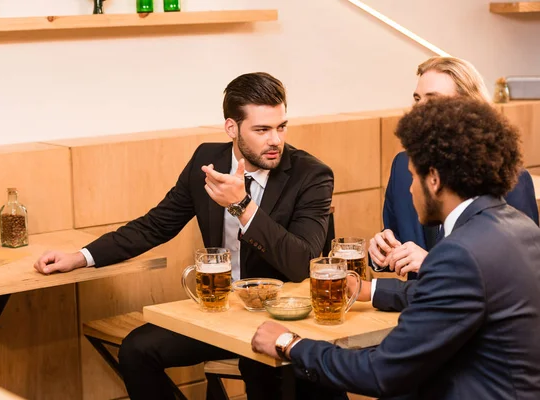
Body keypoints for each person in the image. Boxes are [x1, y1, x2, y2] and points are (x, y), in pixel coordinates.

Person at [33, 72, 341, 400]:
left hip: (280, 316)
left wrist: (243, 206)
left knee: (261, 370)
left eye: (281, 127)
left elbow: (301, 262)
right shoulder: (208, 161)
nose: (275, 140)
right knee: (137, 351)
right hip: (220, 310)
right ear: (231, 129)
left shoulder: (311, 175)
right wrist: (81, 256)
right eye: (262, 130)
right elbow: (156, 225)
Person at [251, 96, 540, 399]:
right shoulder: (522, 228)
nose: (410, 188)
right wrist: (371, 290)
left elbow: (381, 372)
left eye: (413, 176)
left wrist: (290, 344)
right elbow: (452, 294)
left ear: (434, 180)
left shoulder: (460, 254)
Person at [370, 56, 538, 280]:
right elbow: (399, 240)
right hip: (413, 307)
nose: (419, 110)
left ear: (468, 108)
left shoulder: (509, 178)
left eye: (432, 100)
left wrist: (431, 263)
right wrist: (383, 251)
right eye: (417, 99)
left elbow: (523, 270)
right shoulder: (403, 166)